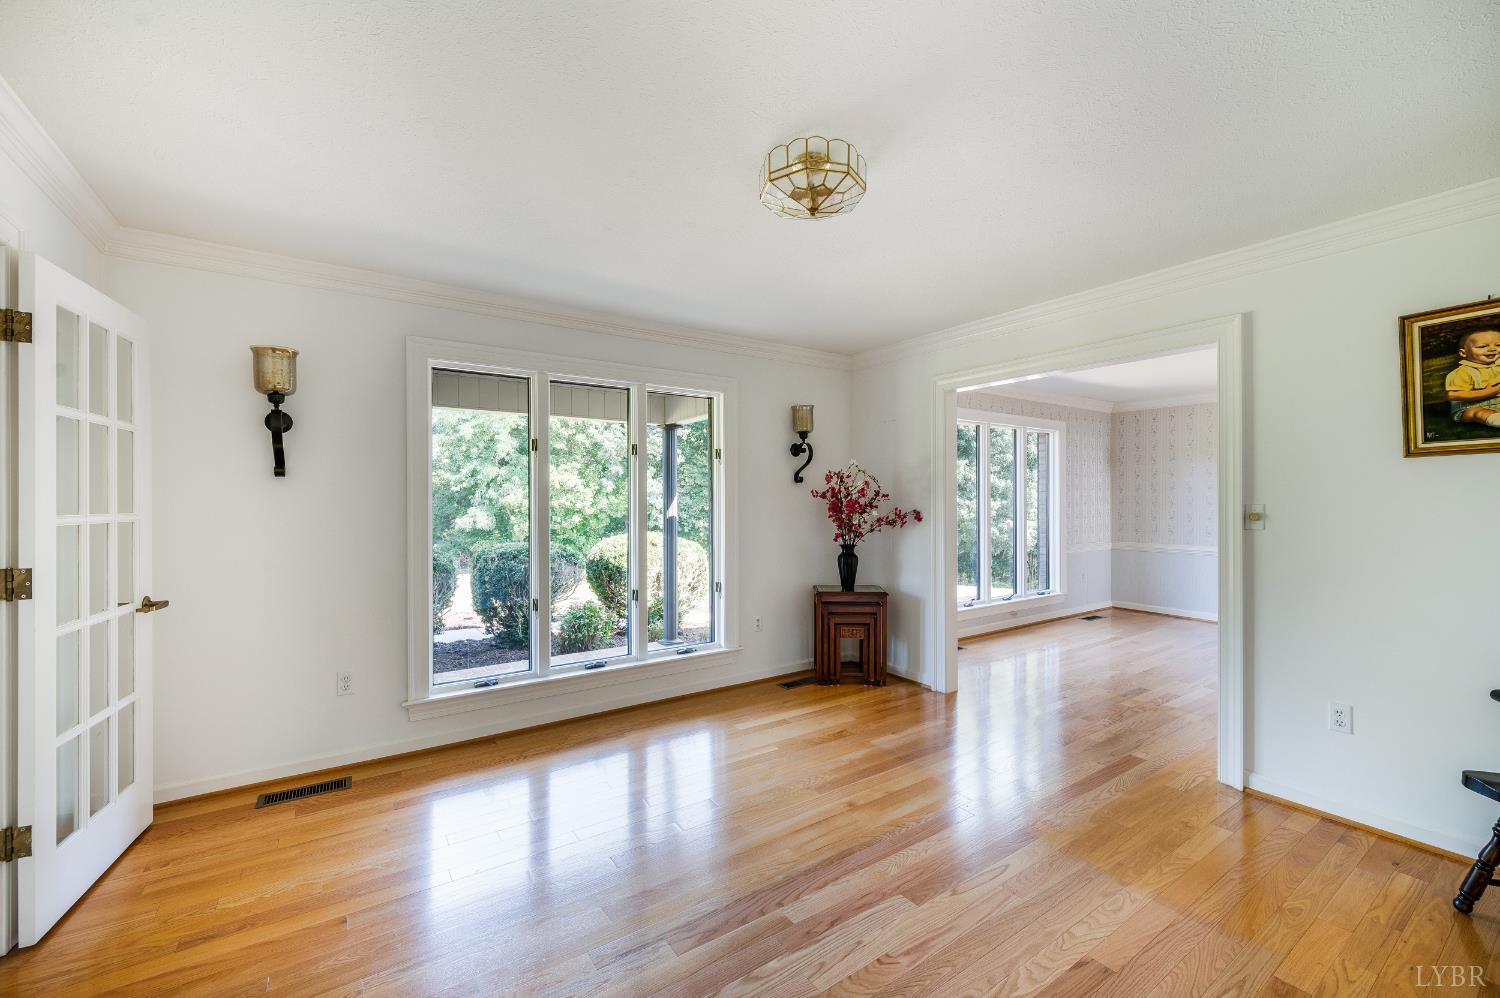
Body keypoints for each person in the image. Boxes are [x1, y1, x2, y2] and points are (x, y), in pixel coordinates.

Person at [1445, 328, 1500, 428]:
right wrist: (1491, 391)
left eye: (1498, 345)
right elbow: (1453, 395)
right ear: (1463, 353)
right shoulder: (1462, 372)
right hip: (1470, 406)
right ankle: (1495, 419)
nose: (1493, 349)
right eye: (1482, 346)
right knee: (1479, 413)